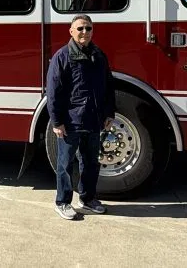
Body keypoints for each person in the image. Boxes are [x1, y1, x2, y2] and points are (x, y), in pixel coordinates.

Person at [45, 13, 116, 220]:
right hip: (71, 122)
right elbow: (53, 91)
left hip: (94, 121)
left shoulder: (99, 55)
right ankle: (62, 202)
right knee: (65, 164)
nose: (85, 32)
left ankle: (87, 199)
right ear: (71, 31)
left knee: (91, 163)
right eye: (80, 28)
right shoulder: (62, 56)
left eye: (88, 28)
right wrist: (57, 121)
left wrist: (109, 113)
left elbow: (108, 87)